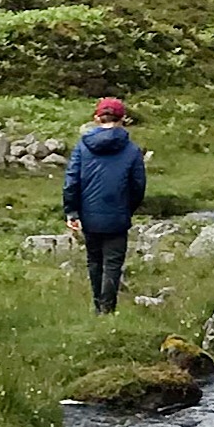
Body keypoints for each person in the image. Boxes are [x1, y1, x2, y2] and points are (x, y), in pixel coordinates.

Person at [62, 96, 148, 314]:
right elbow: (138, 186)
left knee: (94, 261)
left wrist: (72, 211)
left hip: (89, 216)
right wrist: (128, 209)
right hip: (118, 216)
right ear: (123, 119)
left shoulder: (83, 146)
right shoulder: (132, 150)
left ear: (96, 118)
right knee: (112, 264)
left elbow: (71, 181)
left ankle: (98, 306)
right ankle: (107, 310)